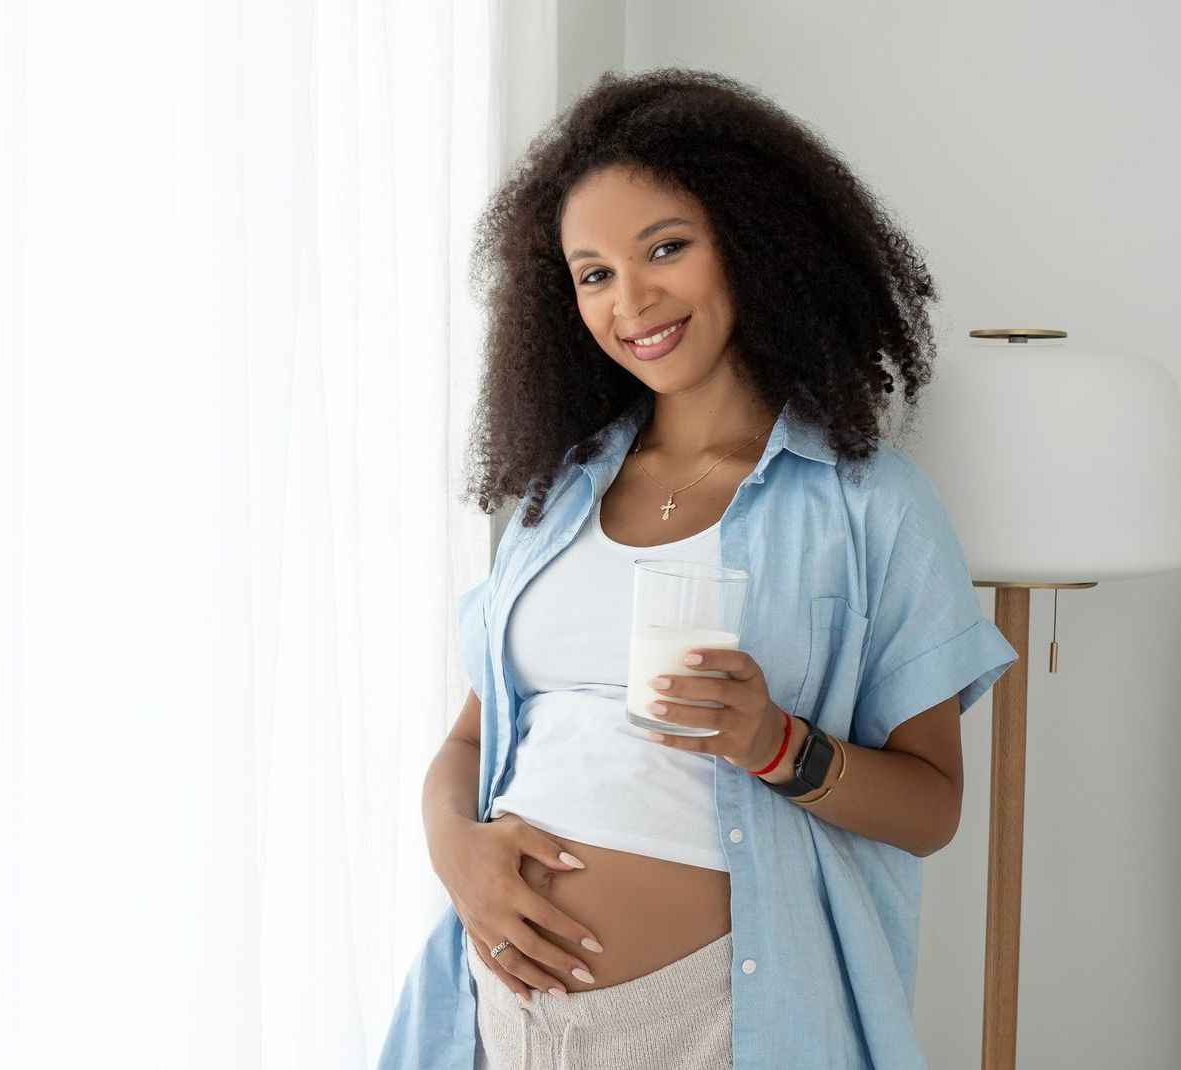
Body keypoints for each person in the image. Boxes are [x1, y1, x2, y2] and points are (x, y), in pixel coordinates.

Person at [376, 68, 1020, 1070]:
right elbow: (471, 736)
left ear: (754, 243)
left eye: (665, 248)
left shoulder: (869, 505)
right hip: (499, 1010)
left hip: (725, 1016)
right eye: (592, 273)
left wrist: (775, 743)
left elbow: (932, 804)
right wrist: (454, 849)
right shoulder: (555, 497)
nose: (630, 300)